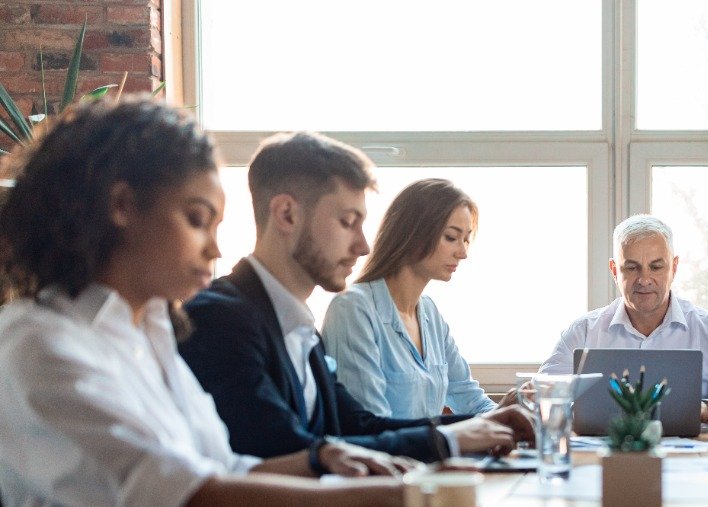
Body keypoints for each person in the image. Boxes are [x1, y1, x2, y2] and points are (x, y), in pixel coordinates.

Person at [0, 98, 444, 507]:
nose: (215, 249)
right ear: (122, 208)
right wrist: (405, 494)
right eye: (196, 220)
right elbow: (190, 503)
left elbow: (224, 468)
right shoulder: (41, 343)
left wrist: (320, 460)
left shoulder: (153, 333)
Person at [179, 132, 532, 463]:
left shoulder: (301, 330)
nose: (363, 246)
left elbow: (359, 427)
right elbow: (288, 452)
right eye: (348, 222)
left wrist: (482, 425)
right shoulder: (219, 319)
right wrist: (449, 441)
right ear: (287, 214)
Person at [539, 214, 708, 423]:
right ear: (614, 271)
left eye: (656, 267)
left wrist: (707, 410)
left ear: (674, 268)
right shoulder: (582, 332)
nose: (644, 279)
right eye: (632, 267)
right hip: (602, 459)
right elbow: (539, 399)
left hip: (691, 461)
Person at [322, 179, 498, 418]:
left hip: (433, 454)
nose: (463, 253)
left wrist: (513, 414)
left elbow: (471, 399)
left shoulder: (430, 313)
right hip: (390, 455)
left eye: (466, 239)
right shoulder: (353, 310)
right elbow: (371, 426)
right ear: (413, 233)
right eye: (451, 237)